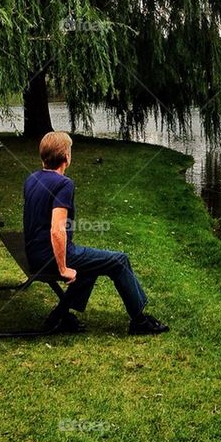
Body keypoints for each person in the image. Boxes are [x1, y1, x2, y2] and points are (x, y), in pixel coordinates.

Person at [22, 131, 169, 335]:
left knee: (92, 265)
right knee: (119, 260)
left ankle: (60, 316)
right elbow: (57, 230)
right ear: (66, 157)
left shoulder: (32, 178)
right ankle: (139, 321)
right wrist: (63, 269)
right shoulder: (63, 184)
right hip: (52, 256)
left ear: (43, 156)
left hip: (34, 252)